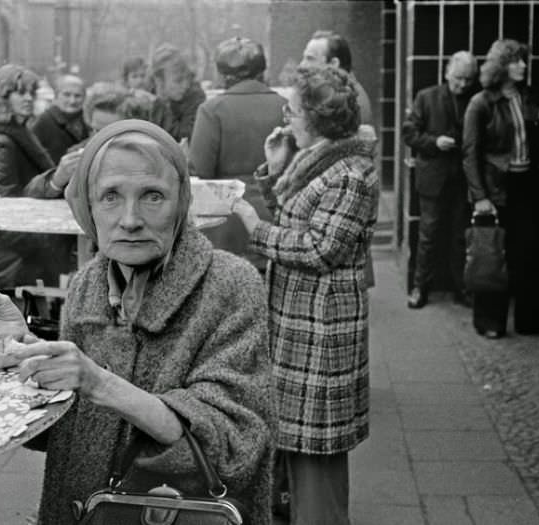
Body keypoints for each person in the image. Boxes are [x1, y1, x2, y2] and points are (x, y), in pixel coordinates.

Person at [0, 120, 274, 525]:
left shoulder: (231, 285)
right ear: (86, 207)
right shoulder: (89, 283)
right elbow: (69, 428)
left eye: (153, 196)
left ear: (182, 202)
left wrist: (99, 383)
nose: (130, 219)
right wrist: (21, 344)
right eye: (110, 197)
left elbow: (235, 445)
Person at [232, 65, 378, 525]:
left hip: (321, 326)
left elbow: (321, 248)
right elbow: (300, 220)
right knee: (297, 441)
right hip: (300, 321)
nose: (285, 116)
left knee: (317, 452)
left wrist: (256, 229)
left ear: (316, 118)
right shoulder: (321, 158)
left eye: (292, 109)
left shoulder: (352, 173)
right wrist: (275, 170)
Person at [463, 39, 539, 338]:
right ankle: (489, 322)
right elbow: (470, 153)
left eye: (523, 60)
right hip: (496, 187)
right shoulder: (482, 102)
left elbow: (533, 125)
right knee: (491, 255)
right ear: (501, 65)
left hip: (526, 185)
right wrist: (480, 197)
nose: (523, 65)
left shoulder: (527, 96)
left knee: (528, 253)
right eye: (515, 60)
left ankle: (530, 320)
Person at [0, 64, 75, 294]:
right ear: (2, 96)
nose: (28, 98)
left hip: (7, 258)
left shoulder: (10, 131)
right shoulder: (3, 143)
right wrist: (41, 246)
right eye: (20, 92)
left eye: (32, 92)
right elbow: (2, 208)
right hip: (10, 263)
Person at [188, 36, 285, 270]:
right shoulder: (285, 106)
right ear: (262, 70)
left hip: (227, 224)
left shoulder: (211, 111)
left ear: (222, 74)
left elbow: (200, 170)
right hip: (278, 219)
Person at [300, 29, 377, 289]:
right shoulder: (345, 93)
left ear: (333, 63)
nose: (302, 65)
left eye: (310, 58)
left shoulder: (347, 100)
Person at [403, 51, 478, 309]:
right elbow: (409, 133)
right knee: (427, 236)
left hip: (462, 179)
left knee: (460, 237)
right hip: (434, 177)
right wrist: (434, 143)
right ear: (447, 72)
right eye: (458, 78)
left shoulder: (474, 99)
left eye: (468, 80)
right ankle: (419, 287)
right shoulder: (427, 97)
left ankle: (461, 288)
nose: (462, 85)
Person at [24, 82, 152, 199]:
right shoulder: (81, 152)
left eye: (110, 132)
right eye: (95, 130)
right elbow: (30, 193)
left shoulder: (151, 157)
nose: (100, 139)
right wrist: (57, 180)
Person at [149, 43, 206, 142]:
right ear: (159, 81)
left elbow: (183, 139)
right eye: (178, 80)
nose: (186, 85)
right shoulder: (147, 97)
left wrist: (162, 105)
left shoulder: (195, 98)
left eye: (187, 78)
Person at [31, 74, 89, 163]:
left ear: (84, 97)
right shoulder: (43, 122)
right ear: (56, 95)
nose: (72, 101)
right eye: (67, 94)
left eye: (77, 96)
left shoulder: (89, 121)